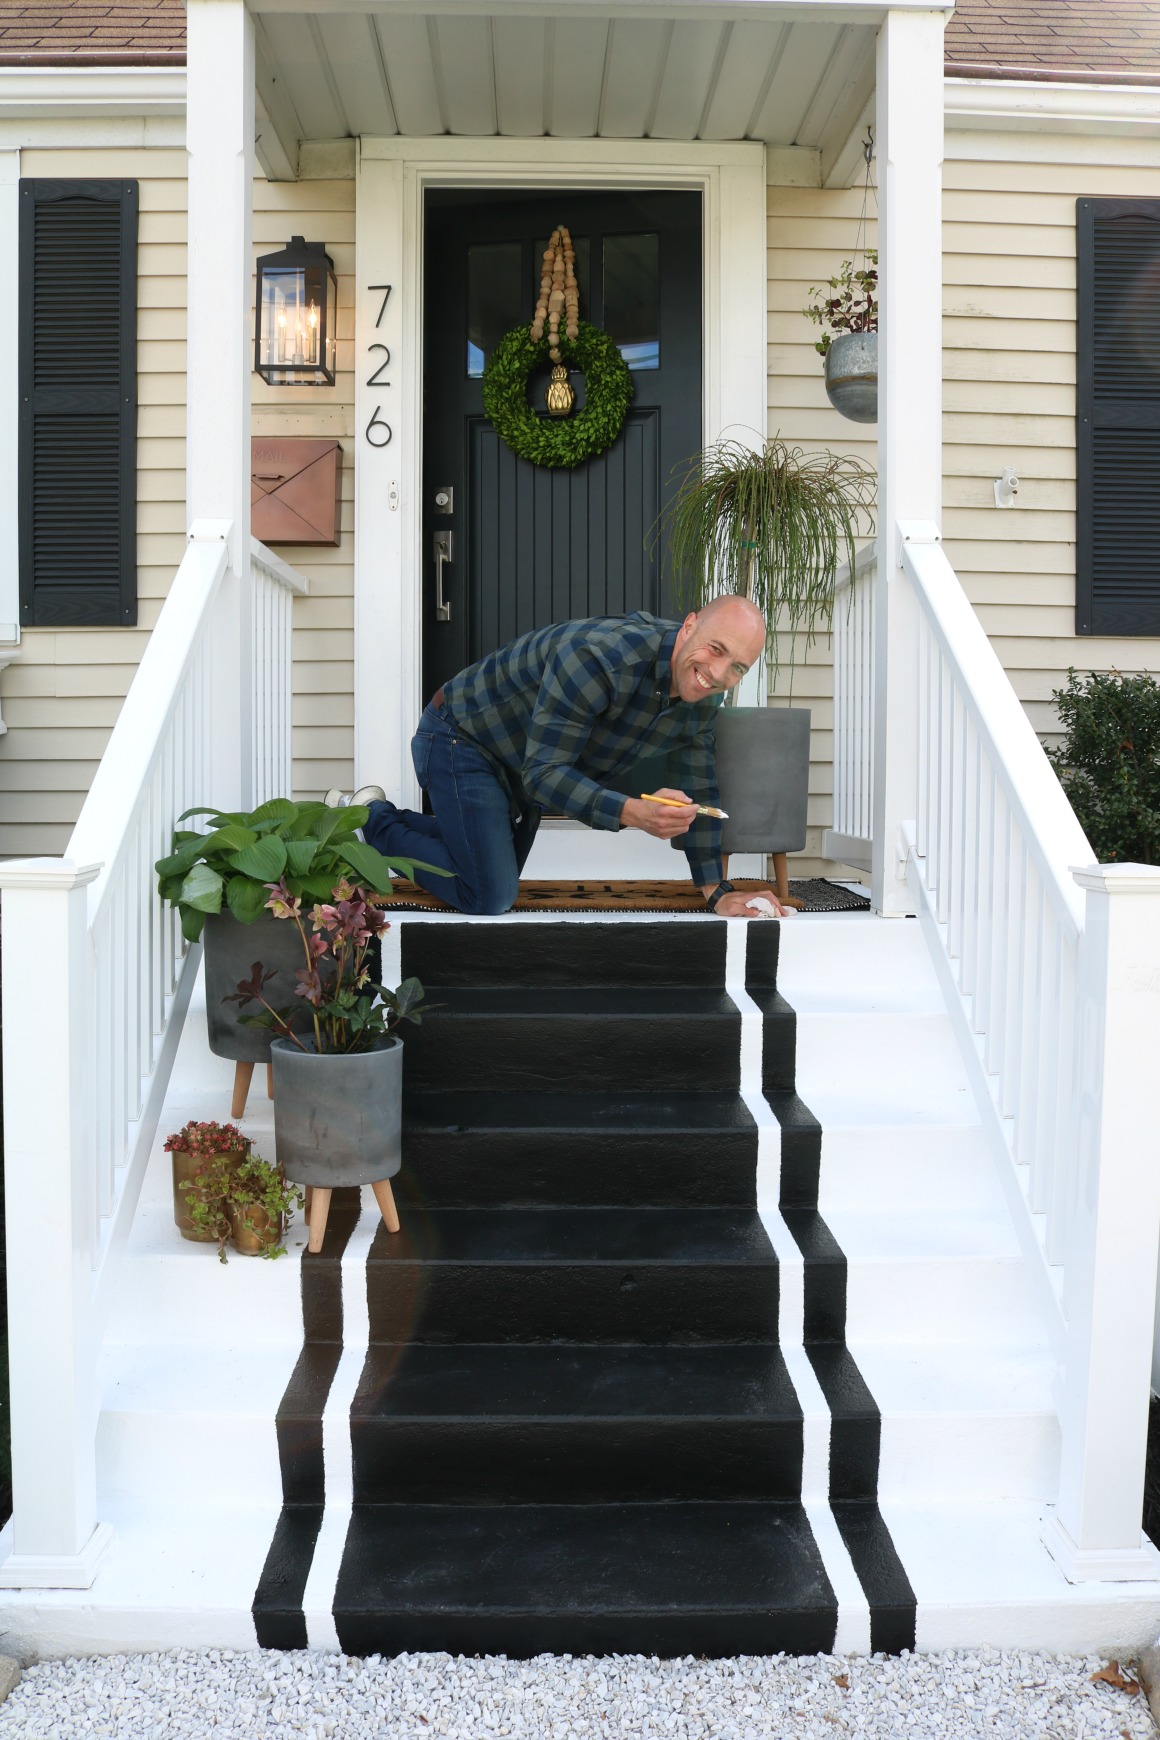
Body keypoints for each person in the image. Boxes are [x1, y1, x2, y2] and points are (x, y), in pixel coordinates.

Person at [327, 596, 786, 919]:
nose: (718, 674)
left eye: (738, 668)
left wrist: (715, 892)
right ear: (689, 627)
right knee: (489, 892)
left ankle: (376, 812)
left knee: (484, 858)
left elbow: (698, 786)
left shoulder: (704, 698)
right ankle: (371, 818)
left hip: (519, 764)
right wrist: (631, 813)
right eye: (716, 649)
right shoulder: (600, 658)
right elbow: (546, 775)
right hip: (462, 737)